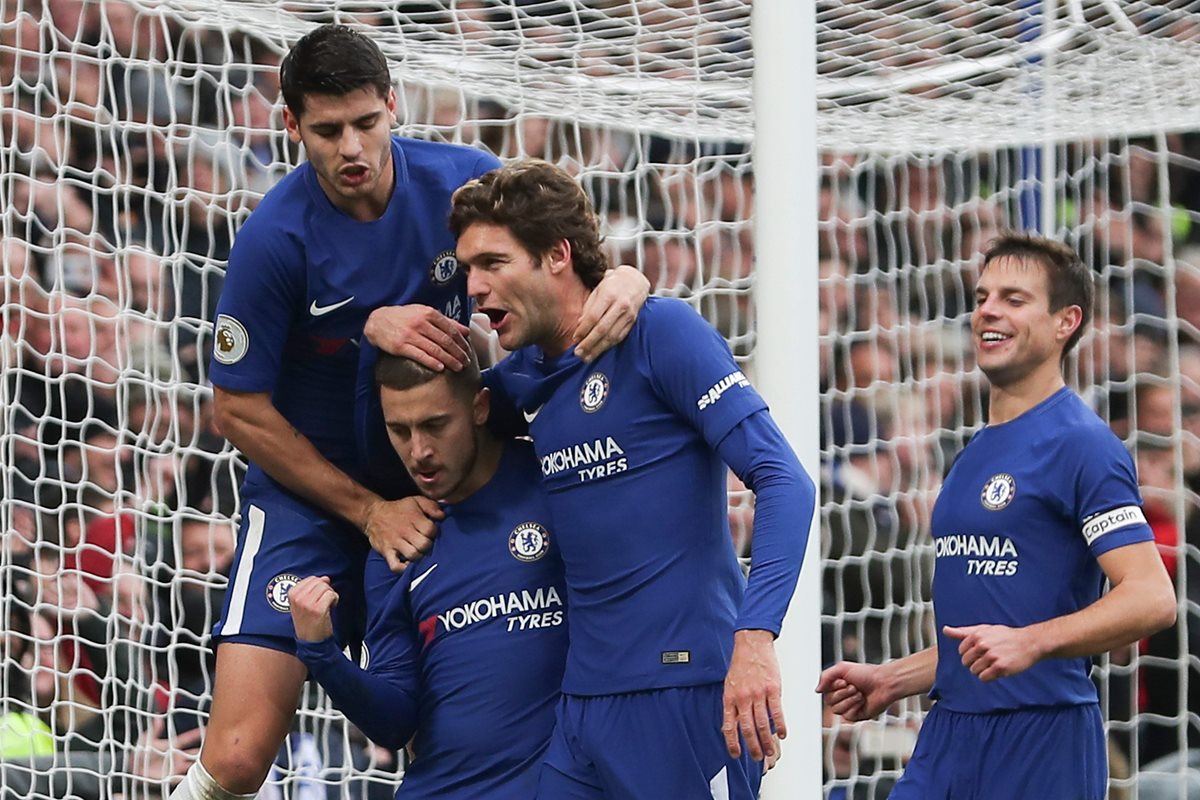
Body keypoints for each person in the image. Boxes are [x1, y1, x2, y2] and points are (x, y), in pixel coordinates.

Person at [182, 25, 646, 800]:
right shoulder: (273, 240)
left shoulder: (461, 184)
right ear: (292, 126)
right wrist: (368, 511)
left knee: (475, 715)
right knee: (235, 757)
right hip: (319, 501)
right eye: (328, 131)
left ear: (393, 105)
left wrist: (625, 279)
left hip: (456, 483)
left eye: (367, 121)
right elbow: (236, 413)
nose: (352, 146)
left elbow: (565, 267)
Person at [445, 159, 816, 798]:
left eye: (493, 263)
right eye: (467, 267)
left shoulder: (662, 335)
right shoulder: (522, 379)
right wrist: (375, 332)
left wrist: (755, 640)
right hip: (583, 704)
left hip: (684, 692)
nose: (473, 287)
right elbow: (419, 428)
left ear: (556, 255)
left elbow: (785, 480)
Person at [817, 232, 1178, 799]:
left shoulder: (1083, 445)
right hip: (950, 734)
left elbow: (1152, 597)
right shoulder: (972, 455)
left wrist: (1032, 642)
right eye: (983, 296)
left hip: (1041, 739)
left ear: (1066, 322)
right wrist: (891, 679)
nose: (988, 309)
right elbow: (986, 639)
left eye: (1014, 298)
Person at [289, 350, 567, 798]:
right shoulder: (400, 543)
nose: (419, 452)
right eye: (399, 431)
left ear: (479, 408)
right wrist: (321, 654)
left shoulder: (553, 478)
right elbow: (394, 723)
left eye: (435, 425)